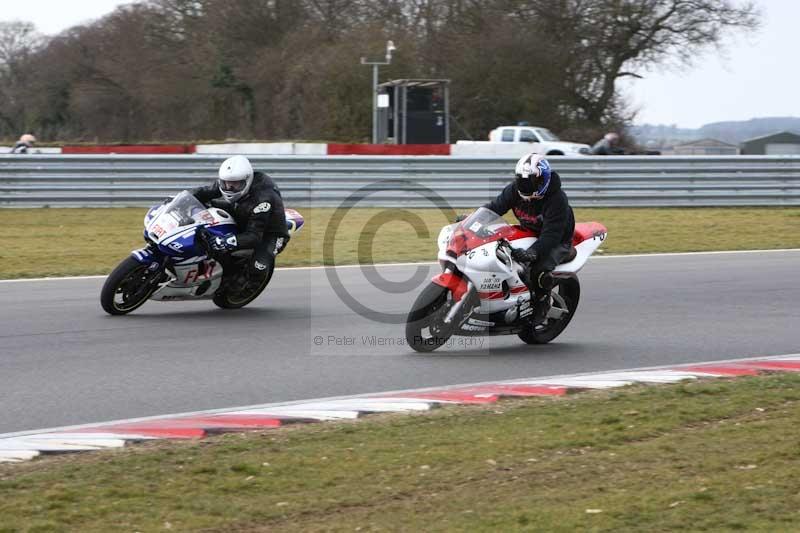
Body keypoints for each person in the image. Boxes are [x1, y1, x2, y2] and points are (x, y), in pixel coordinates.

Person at [483, 152, 575, 322]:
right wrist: (472, 221)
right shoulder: (514, 190)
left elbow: (551, 235)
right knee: (497, 252)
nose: (526, 185)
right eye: (522, 180)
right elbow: (495, 208)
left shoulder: (557, 199)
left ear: (543, 179)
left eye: (532, 181)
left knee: (538, 270)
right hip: (529, 231)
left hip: (557, 240)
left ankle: (542, 305)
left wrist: (533, 252)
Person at [191, 155, 289, 290]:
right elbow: (204, 192)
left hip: (270, 233)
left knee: (258, 268)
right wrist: (184, 199)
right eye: (226, 183)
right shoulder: (227, 182)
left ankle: (247, 287)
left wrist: (226, 241)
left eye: (235, 184)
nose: (229, 188)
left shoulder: (263, 199)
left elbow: (254, 237)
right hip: (243, 211)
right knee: (207, 209)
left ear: (247, 180)